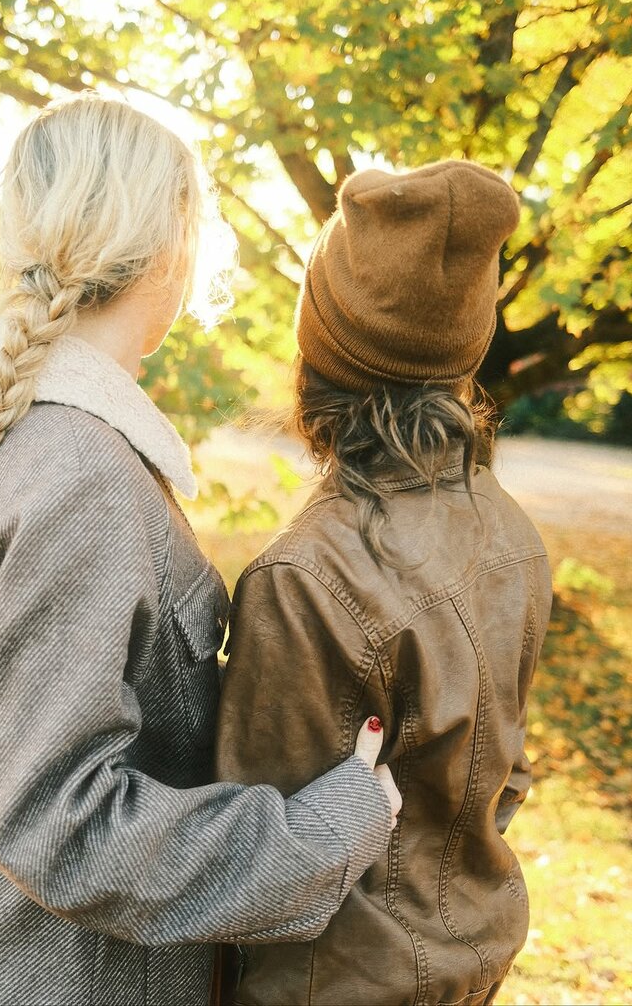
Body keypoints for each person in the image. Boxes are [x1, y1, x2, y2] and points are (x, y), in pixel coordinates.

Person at [0, 91, 402, 1006]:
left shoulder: (50, 441)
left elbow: (17, 758)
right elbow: (60, 825)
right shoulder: (82, 474)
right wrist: (327, 832)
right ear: (167, 248)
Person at [214, 161, 553, 1005]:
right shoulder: (511, 532)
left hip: (332, 986)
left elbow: (260, 862)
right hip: (471, 966)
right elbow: (505, 775)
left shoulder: (304, 579)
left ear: (319, 350)